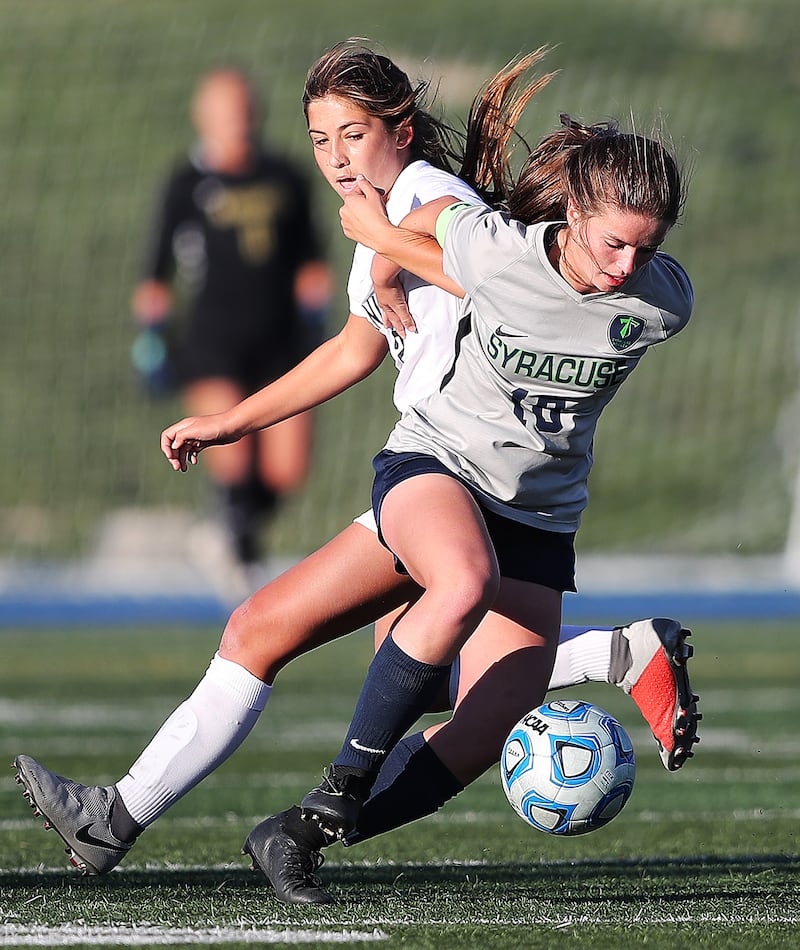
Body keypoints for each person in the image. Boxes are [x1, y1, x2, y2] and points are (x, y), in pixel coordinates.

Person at [13, 43, 699, 904]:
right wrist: (231, 421)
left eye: (353, 134)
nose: (336, 157)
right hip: (438, 466)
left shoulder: (438, 204)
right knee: (418, 612)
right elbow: (353, 350)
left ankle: (274, 828)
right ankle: (128, 816)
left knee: (457, 697)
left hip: (530, 506)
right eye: (320, 138)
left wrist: (386, 243)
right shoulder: (414, 208)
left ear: (399, 131)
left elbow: (483, 259)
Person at [130, 67, 334, 587]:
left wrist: (317, 321)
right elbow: (156, 273)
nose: (237, 121)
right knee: (232, 453)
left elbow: (311, 262)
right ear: (204, 118)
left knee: (287, 469)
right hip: (212, 341)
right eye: (225, 111)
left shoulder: (285, 176)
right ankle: (235, 549)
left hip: (281, 338)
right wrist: (152, 338)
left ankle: (230, 531)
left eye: (244, 109)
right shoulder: (187, 183)